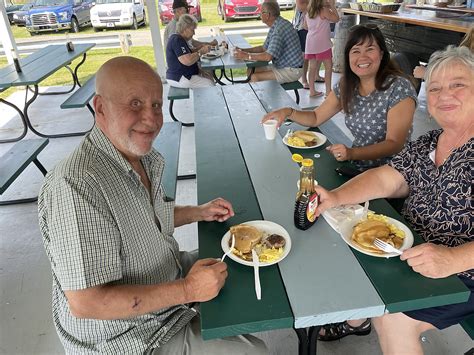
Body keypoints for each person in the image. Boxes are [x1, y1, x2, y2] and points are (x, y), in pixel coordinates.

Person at [38, 56, 267, 354]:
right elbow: (86, 301)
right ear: (100, 107)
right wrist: (187, 290)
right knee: (254, 351)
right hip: (127, 336)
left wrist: (200, 212)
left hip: (160, 270)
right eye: (134, 104)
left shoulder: (138, 156)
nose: (151, 118)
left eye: (156, 105)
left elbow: (145, 218)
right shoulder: (77, 185)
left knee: (244, 254)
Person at [314, 45, 474, 353]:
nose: (443, 95)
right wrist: (335, 197)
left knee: (394, 318)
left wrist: (454, 259)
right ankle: (357, 320)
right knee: (350, 254)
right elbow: (388, 177)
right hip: (412, 250)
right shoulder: (431, 141)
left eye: (458, 85)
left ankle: (366, 317)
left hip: (463, 273)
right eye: (435, 87)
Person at [262, 24, 417, 171]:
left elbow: (394, 143)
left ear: (382, 54)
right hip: (358, 166)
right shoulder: (348, 85)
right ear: (348, 56)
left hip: (394, 171)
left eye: (370, 49)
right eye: (356, 51)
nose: (362, 57)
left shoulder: (399, 88)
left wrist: (352, 153)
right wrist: (288, 112)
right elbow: (316, 117)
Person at [233, 0, 303, 84]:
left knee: (255, 77)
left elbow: (267, 57)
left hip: (292, 70)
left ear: (267, 15)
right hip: (283, 66)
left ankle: (262, 96)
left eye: (261, 12)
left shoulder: (278, 30)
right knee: (251, 70)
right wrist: (243, 50)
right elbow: (264, 48)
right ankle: (266, 95)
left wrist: (246, 56)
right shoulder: (277, 24)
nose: (260, 14)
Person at [166, 14, 215, 88]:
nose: (194, 33)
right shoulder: (177, 40)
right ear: (185, 28)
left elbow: (187, 53)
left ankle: (202, 99)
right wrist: (200, 52)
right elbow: (187, 61)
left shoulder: (178, 39)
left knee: (208, 75)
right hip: (180, 77)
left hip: (181, 75)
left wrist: (199, 48)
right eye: (192, 30)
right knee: (209, 84)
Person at [305, 0, 339, 97]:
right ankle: (328, 92)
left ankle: (312, 91)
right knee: (328, 67)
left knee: (312, 67)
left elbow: (305, 26)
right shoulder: (324, 10)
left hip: (310, 42)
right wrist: (332, 6)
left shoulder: (309, 11)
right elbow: (336, 19)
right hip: (322, 43)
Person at [293, 0, 310, 88]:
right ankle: (303, 79)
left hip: (313, 28)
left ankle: (315, 76)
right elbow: (300, 6)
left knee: (315, 56)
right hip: (302, 29)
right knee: (304, 56)